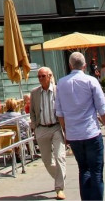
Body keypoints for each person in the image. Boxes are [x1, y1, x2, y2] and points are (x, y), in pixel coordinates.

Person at [55, 52, 105, 201]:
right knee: (96, 172)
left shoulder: (61, 83)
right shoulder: (91, 81)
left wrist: (66, 131)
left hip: (74, 135)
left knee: (83, 169)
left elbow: (59, 112)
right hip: (91, 132)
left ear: (70, 65)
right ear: (85, 66)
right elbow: (103, 108)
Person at [30, 67, 66, 200]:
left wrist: (66, 129)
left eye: (43, 76)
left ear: (50, 76)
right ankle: (59, 176)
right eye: (39, 76)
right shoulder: (34, 93)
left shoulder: (58, 91)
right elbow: (32, 112)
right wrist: (34, 126)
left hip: (56, 127)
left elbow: (65, 108)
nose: (40, 79)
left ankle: (59, 188)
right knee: (46, 160)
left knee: (59, 157)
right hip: (42, 128)